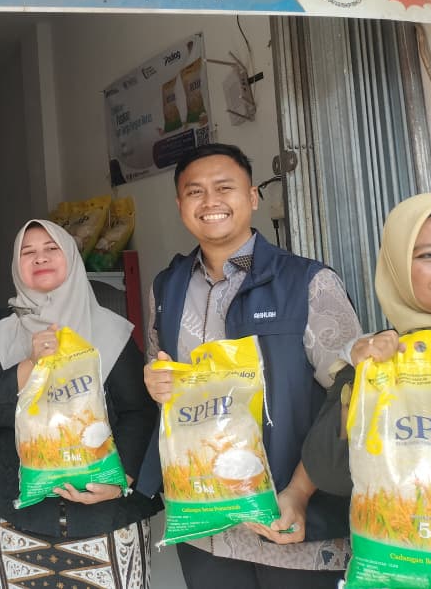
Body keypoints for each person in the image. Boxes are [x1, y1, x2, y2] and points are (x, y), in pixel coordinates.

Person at [139, 142, 364, 589]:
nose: (210, 201)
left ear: (253, 197)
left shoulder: (308, 282)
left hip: (288, 520)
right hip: (205, 525)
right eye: (195, 191)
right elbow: (159, 368)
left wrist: (299, 492)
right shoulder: (167, 286)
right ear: (180, 205)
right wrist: (155, 381)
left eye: (225, 187)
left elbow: (350, 398)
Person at [0, 219, 161, 589]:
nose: (40, 258)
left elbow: (139, 411)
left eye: (51, 249)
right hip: (17, 516)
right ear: (16, 265)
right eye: (28, 252)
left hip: (105, 516)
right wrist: (29, 365)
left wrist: (121, 481)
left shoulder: (110, 329)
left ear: (70, 257)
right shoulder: (1, 330)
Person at [302, 193, 431, 497]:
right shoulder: (375, 359)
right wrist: (362, 381)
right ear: (397, 268)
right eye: (429, 255)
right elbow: (330, 473)